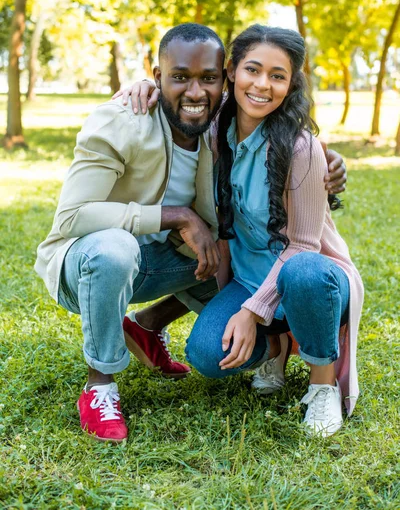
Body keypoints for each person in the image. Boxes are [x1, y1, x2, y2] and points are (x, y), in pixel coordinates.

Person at [35, 23, 346, 443]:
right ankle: (103, 385)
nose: (196, 92)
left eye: (208, 78)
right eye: (179, 77)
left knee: (270, 265)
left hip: (246, 266)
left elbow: (303, 227)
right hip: (113, 264)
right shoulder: (164, 121)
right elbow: (71, 216)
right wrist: (175, 215)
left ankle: (310, 377)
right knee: (128, 260)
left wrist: (326, 159)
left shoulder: (257, 134)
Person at [123, 25, 362, 437]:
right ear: (232, 71)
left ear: (291, 83)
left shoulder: (300, 148)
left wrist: (253, 312)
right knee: (205, 355)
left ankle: (321, 387)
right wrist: (145, 85)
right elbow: (185, 91)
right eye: (252, 69)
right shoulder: (217, 130)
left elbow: (303, 246)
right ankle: (276, 347)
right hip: (250, 279)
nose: (262, 85)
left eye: (277, 75)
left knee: (303, 270)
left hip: (314, 280)